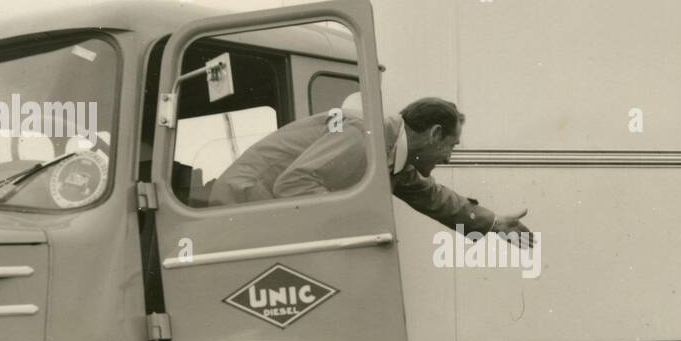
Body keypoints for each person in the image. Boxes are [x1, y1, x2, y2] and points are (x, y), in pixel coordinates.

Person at [207, 96, 530, 238]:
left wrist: (492, 223)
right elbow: (295, 184)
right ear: (434, 134)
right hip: (244, 204)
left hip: (256, 208)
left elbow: (431, 195)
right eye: (450, 146)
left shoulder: (389, 149)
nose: (447, 158)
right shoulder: (365, 133)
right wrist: (354, 223)